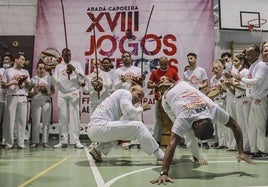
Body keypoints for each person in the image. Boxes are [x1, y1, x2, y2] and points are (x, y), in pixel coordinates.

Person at [150, 80, 254, 185]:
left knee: (189, 134)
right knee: (188, 134)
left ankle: (196, 156)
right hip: (169, 97)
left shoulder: (213, 109)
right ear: (195, 125)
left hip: (183, 86)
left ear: (211, 121)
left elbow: (235, 126)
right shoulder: (184, 118)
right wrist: (163, 173)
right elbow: (171, 144)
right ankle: (196, 156)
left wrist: (241, 151)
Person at [88, 85, 165, 164]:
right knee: (139, 126)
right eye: (138, 95)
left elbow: (127, 116)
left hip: (94, 129)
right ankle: (161, 156)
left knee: (119, 134)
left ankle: (97, 150)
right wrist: (141, 108)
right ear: (132, 89)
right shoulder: (126, 93)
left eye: (140, 99)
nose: (138, 99)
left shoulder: (119, 97)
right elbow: (129, 112)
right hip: (100, 127)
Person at [230, 44, 268, 158]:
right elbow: (249, 84)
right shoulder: (252, 67)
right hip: (253, 99)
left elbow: (257, 81)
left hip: (260, 99)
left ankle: (264, 150)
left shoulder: (261, 65)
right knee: (252, 126)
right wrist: (238, 83)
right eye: (246, 54)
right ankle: (255, 149)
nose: (247, 57)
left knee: (260, 127)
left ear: (257, 54)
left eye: (249, 54)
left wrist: (240, 79)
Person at [49, 48, 84, 149]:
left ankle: (76, 140)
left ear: (71, 55)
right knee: (63, 116)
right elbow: (57, 82)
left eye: (69, 55)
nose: (68, 57)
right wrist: (51, 74)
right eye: (65, 55)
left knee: (75, 117)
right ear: (62, 56)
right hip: (62, 93)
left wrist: (74, 69)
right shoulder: (59, 67)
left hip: (73, 92)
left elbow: (82, 76)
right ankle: (63, 140)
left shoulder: (76, 64)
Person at [2, 52, 31, 149]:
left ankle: (21, 143)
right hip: (11, 96)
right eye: (22, 59)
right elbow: (2, 85)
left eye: (24, 60)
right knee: (9, 121)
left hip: (23, 96)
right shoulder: (8, 71)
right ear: (16, 60)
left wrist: (26, 81)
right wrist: (11, 83)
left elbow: (29, 87)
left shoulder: (25, 72)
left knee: (22, 121)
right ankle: (9, 143)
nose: (23, 62)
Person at [147, 56, 179, 144]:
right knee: (159, 119)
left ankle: (178, 140)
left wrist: (170, 81)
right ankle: (157, 140)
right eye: (161, 64)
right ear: (159, 64)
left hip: (170, 100)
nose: (163, 66)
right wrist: (157, 84)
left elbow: (179, 83)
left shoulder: (172, 71)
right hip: (159, 99)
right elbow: (148, 85)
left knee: (174, 119)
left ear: (168, 63)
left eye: (165, 64)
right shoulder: (155, 72)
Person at [183, 52, 210, 149]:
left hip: (200, 97)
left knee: (203, 117)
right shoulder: (186, 73)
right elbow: (185, 86)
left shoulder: (201, 70)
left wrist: (199, 88)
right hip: (191, 98)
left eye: (191, 58)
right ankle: (195, 140)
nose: (189, 60)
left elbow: (206, 83)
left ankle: (205, 141)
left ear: (195, 59)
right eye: (188, 59)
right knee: (193, 119)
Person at [29, 61, 55, 148]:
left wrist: (49, 93)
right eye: (40, 68)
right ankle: (35, 141)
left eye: (44, 68)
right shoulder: (33, 79)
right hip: (36, 101)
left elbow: (53, 90)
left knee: (46, 122)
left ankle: (45, 141)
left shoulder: (49, 79)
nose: (42, 70)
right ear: (37, 69)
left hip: (46, 101)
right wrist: (34, 92)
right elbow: (28, 91)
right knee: (35, 122)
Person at [0, 52, 13, 146]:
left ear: (12, 62)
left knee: (6, 120)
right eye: (4, 59)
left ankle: (4, 139)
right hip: (0, 97)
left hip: (9, 97)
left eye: (7, 59)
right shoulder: (0, 70)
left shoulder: (13, 71)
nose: (5, 61)